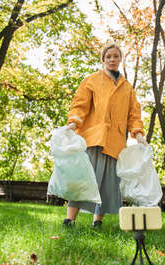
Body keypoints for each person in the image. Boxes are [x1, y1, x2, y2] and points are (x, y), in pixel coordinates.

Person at [63, 41, 147, 227]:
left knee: (108, 183)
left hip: (115, 142)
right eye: (108, 56)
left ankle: (97, 222)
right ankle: (70, 219)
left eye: (116, 56)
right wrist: (73, 123)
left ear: (120, 59)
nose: (112, 59)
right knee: (85, 179)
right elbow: (80, 104)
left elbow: (134, 113)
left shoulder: (127, 88)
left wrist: (138, 133)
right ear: (103, 59)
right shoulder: (92, 80)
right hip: (94, 138)